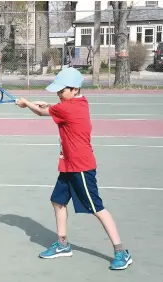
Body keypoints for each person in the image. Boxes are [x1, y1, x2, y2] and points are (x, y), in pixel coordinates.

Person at [15, 67, 132, 270]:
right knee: (57, 201)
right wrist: (50, 104)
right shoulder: (80, 103)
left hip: (80, 168)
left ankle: (121, 251)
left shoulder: (65, 109)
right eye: (58, 91)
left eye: (62, 90)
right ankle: (62, 244)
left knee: (97, 208)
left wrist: (27, 104)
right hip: (69, 166)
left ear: (75, 89)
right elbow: (55, 109)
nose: (59, 94)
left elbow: (43, 112)